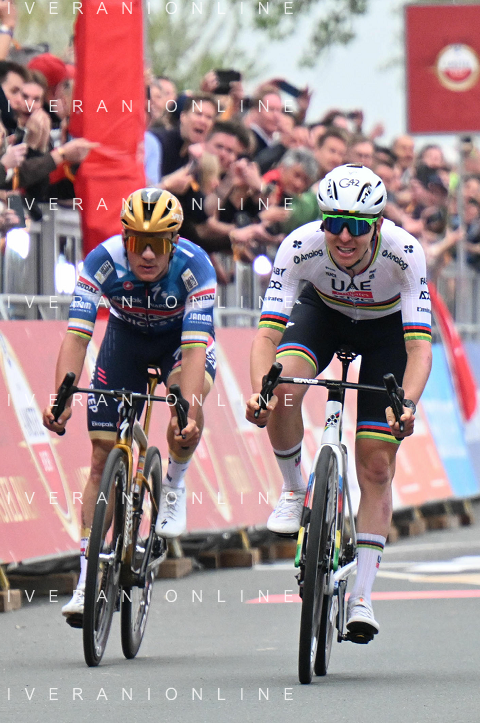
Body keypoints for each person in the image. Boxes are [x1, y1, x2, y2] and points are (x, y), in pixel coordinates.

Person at [245, 164, 433, 644]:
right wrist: (260, 392)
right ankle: (294, 490)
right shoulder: (300, 245)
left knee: (376, 465)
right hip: (323, 315)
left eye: (357, 226)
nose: (344, 236)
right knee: (284, 390)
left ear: (377, 224)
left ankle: (362, 597)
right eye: (334, 223)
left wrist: (407, 405)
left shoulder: (404, 252)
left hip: (386, 331)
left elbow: (419, 348)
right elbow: (266, 337)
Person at [42, 188, 218, 622]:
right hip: (126, 340)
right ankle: (87, 579)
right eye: (138, 242)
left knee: (185, 415)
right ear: (125, 239)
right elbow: (77, 336)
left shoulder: (196, 267)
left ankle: (174, 483)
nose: (147, 254)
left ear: (173, 242)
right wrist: (61, 398)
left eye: (157, 243)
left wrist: (187, 411)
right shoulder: (101, 261)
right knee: (100, 458)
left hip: (180, 343)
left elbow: (195, 350)